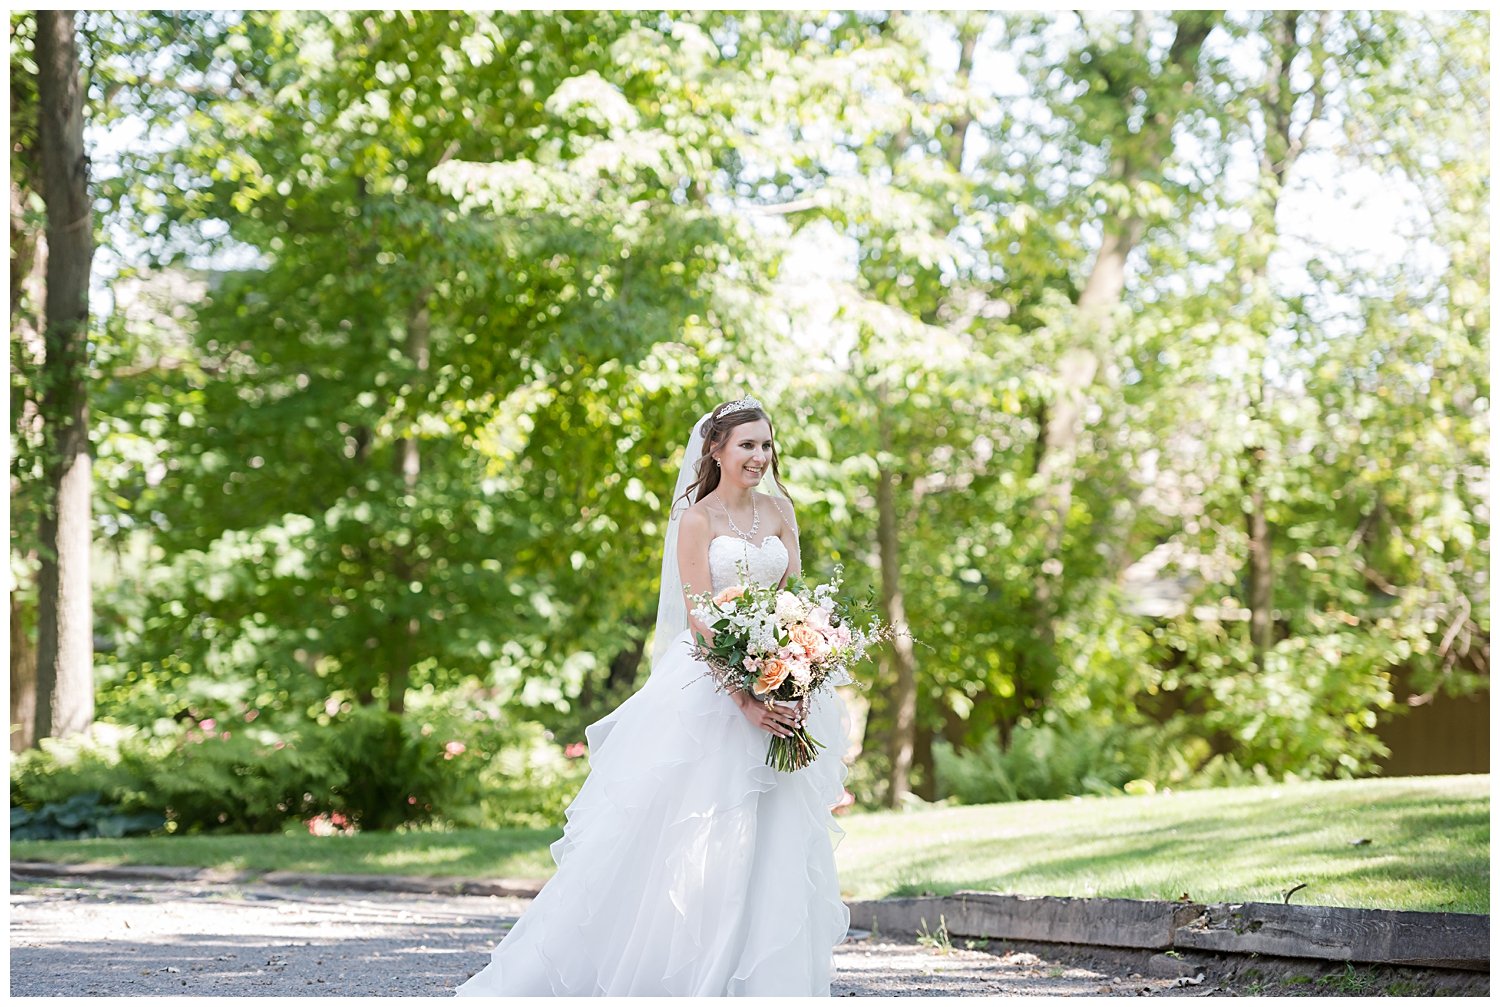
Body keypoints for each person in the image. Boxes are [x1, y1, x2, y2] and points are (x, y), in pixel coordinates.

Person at [455, 396, 851, 997]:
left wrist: (800, 667)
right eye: (747, 445)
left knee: (774, 839)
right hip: (712, 697)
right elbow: (698, 618)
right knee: (696, 839)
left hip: (781, 690)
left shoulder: (779, 511)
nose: (759, 456)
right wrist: (747, 698)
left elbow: (794, 598)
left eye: (766, 445)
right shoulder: (698, 520)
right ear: (715, 450)